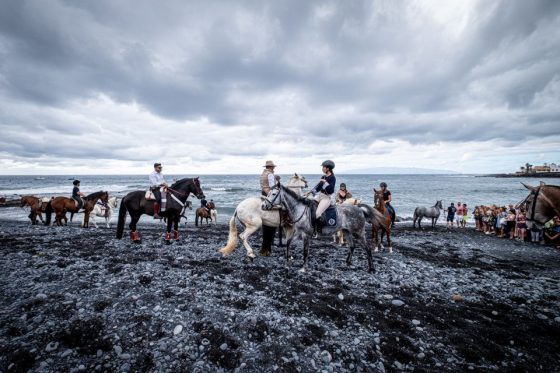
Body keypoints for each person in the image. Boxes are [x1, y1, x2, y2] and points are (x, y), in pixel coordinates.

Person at [309, 160, 336, 234]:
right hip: (320, 195)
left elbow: (330, 190)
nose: (322, 168)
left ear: (328, 168)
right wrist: (311, 192)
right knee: (309, 205)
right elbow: (318, 188)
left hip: (326, 198)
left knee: (318, 213)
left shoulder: (332, 178)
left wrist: (325, 182)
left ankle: (319, 229)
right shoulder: (323, 176)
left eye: (323, 167)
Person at [259, 160, 277, 256]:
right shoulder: (270, 174)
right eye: (273, 167)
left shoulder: (263, 174)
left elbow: (263, 185)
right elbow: (272, 186)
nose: (274, 168)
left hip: (263, 193)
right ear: (271, 167)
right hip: (269, 194)